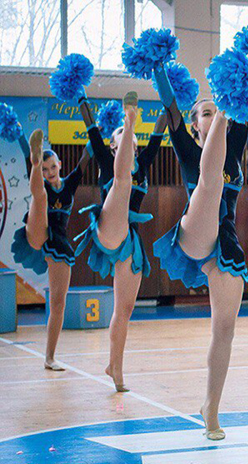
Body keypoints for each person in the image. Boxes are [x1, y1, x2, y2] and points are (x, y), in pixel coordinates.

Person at [151, 64, 248, 440]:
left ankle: (211, 405)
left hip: (225, 245)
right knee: (209, 185)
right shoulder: (187, 146)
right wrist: (158, 65)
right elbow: (169, 102)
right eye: (207, 111)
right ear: (195, 125)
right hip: (195, 230)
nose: (215, 113)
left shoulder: (236, 146)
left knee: (224, 330)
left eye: (218, 108)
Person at [74, 92, 167, 391]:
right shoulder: (104, 158)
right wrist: (79, 94)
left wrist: (170, 94)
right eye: (123, 141)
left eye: (133, 144)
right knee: (121, 181)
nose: (130, 149)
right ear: (113, 146)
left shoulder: (144, 161)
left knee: (123, 310)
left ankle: (115, 367)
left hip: (130, 241)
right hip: (107, 228)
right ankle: (129, 119)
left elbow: (160, 129)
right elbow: (90, 124)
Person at [10, 129, 91, 371]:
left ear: (60, 164)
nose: (50, 172)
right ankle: (34, 160)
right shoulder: (43, 184)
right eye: (45, 169)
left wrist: (98, 129)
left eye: (52, 167)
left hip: (58, 243)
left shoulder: (70, 184)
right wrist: (22, 138)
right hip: (37, 231)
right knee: (41, 196)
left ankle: (50, 357)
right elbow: (25, 150)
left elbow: (86, 155)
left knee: (58, 303)